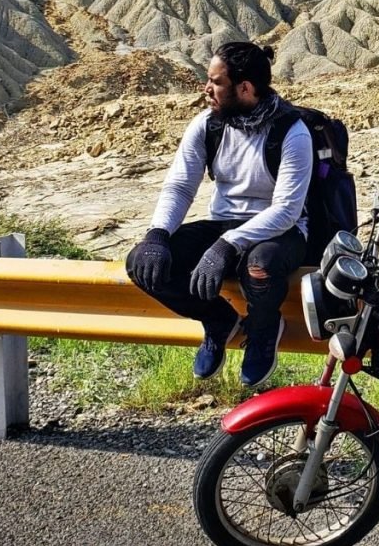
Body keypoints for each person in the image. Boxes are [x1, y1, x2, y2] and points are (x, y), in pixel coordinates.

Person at [126, 42, 312, 387]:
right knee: (143, 262)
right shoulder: (207, 125)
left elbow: (286, 210)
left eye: (215, 82)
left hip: (279, 232)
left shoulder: (292, 132)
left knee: (259, 266)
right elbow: (180, 186)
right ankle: (218, 320)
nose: (206, 89)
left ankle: (263, 327)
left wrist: (226, 245)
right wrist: (158, 235)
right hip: (224, 225)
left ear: (245, 88)